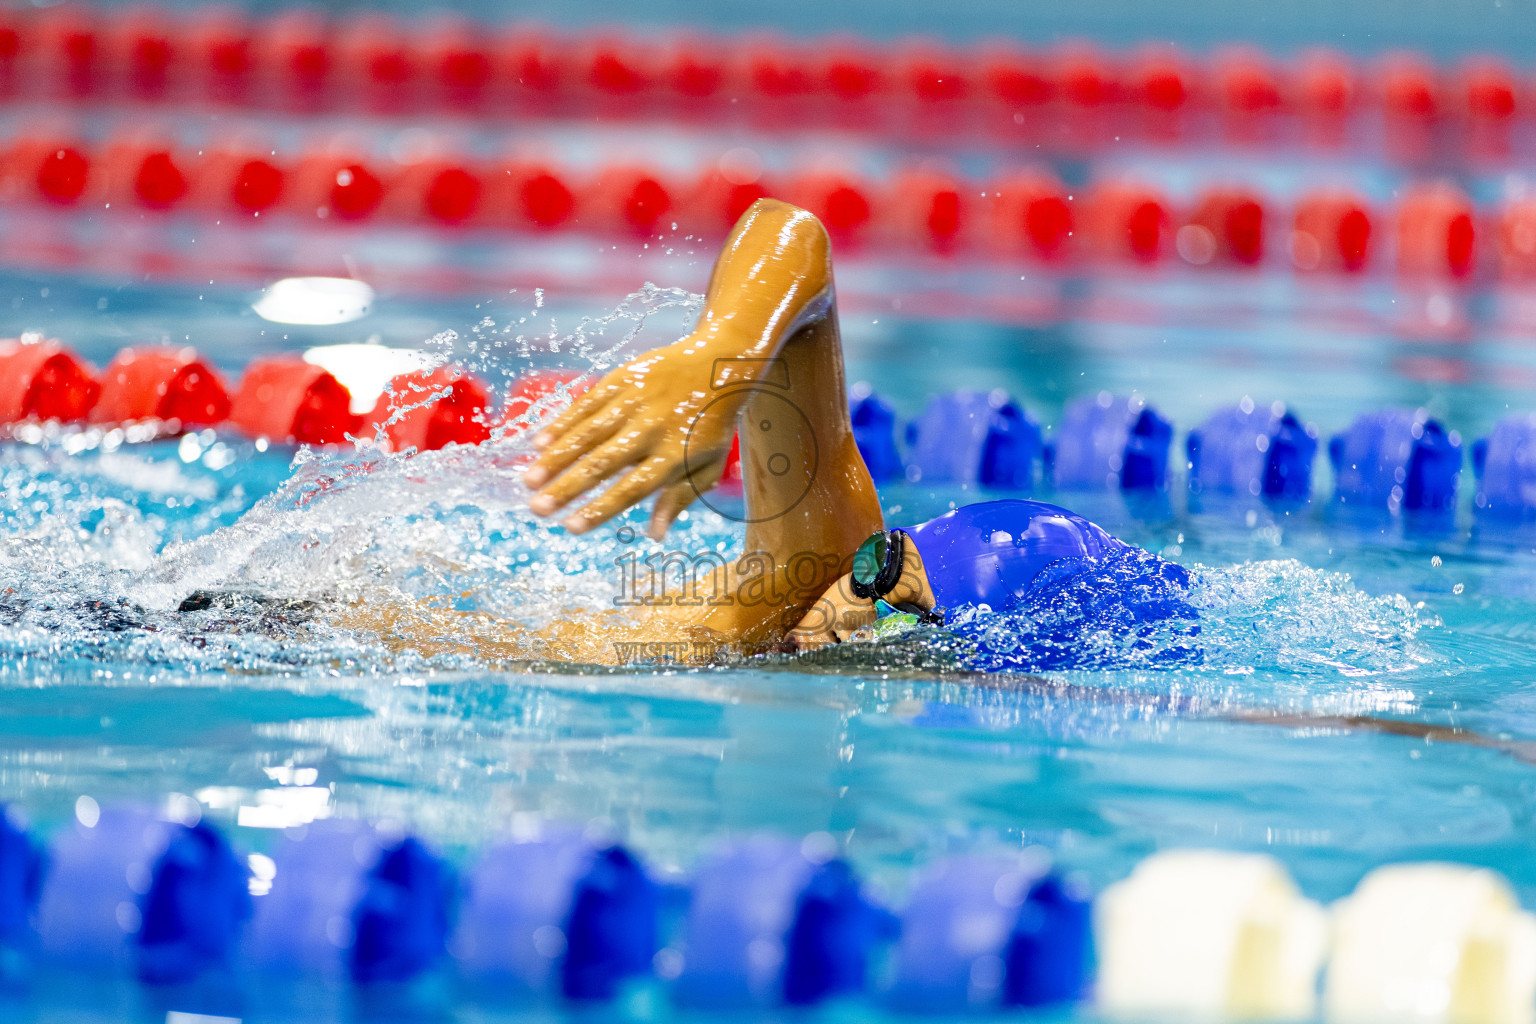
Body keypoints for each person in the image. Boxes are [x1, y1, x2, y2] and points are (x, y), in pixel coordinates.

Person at [501, 197, 1192, 667]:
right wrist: (714, 365)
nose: (849, 590)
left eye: (888, 589)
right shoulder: (805, 583)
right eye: (880, 558)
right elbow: (788, 233)